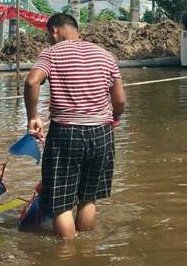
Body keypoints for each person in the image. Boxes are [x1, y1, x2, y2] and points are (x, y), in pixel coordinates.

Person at [24, 13, 126, 240]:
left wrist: (33, 116)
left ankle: (67, 255)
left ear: (54, 31)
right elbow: (119, 100)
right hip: (102, 132)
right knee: (89, 197)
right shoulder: (105, 55)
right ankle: (86, 252)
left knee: (61, 203)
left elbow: (32, 81)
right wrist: (115, 118)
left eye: (48, 36)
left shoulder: (51, 53)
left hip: (66, 132)